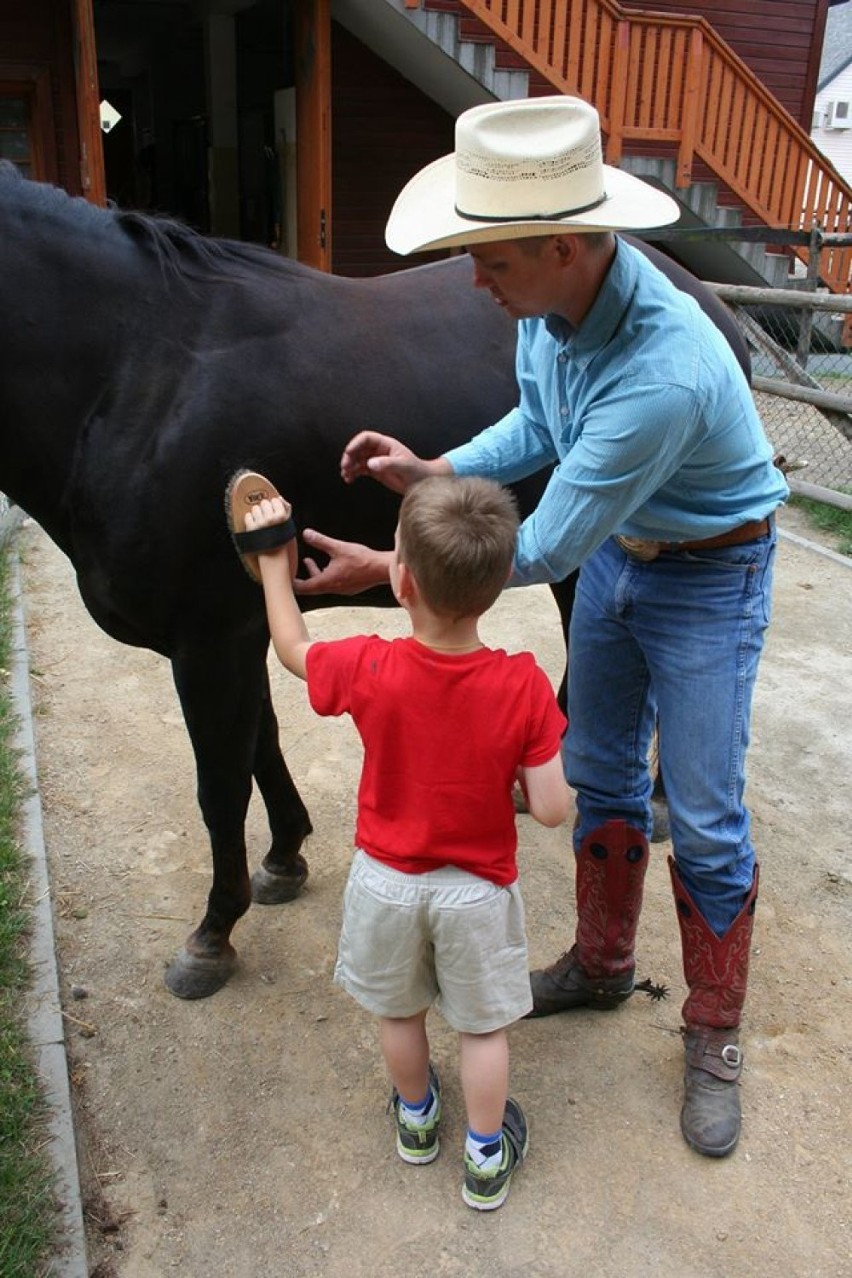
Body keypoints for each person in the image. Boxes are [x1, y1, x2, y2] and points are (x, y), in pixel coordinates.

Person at [290, 95, 790, 1160]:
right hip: (623, 550)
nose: (476, 281)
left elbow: (537, 550)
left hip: (710, 571)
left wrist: (386, 567)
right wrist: (440, 468)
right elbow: (538, 424)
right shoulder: (551, 311)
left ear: (567, 246)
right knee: (602, 772)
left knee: (700, 810)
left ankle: (714, 1031)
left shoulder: (661, 374)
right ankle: (604, 965)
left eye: (495, 261)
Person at [229, 469, 571, 1210]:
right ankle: (484, 1157)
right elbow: (549, 809)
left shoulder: (370, 665)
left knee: (399, 1013)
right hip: (477, 891)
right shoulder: (524, 684)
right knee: (482, 1031)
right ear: (503, 579)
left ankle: (416, 1121)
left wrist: (276, 568)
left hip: (386, 882)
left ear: (400, 582)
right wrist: (538, 780)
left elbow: (291, 646)